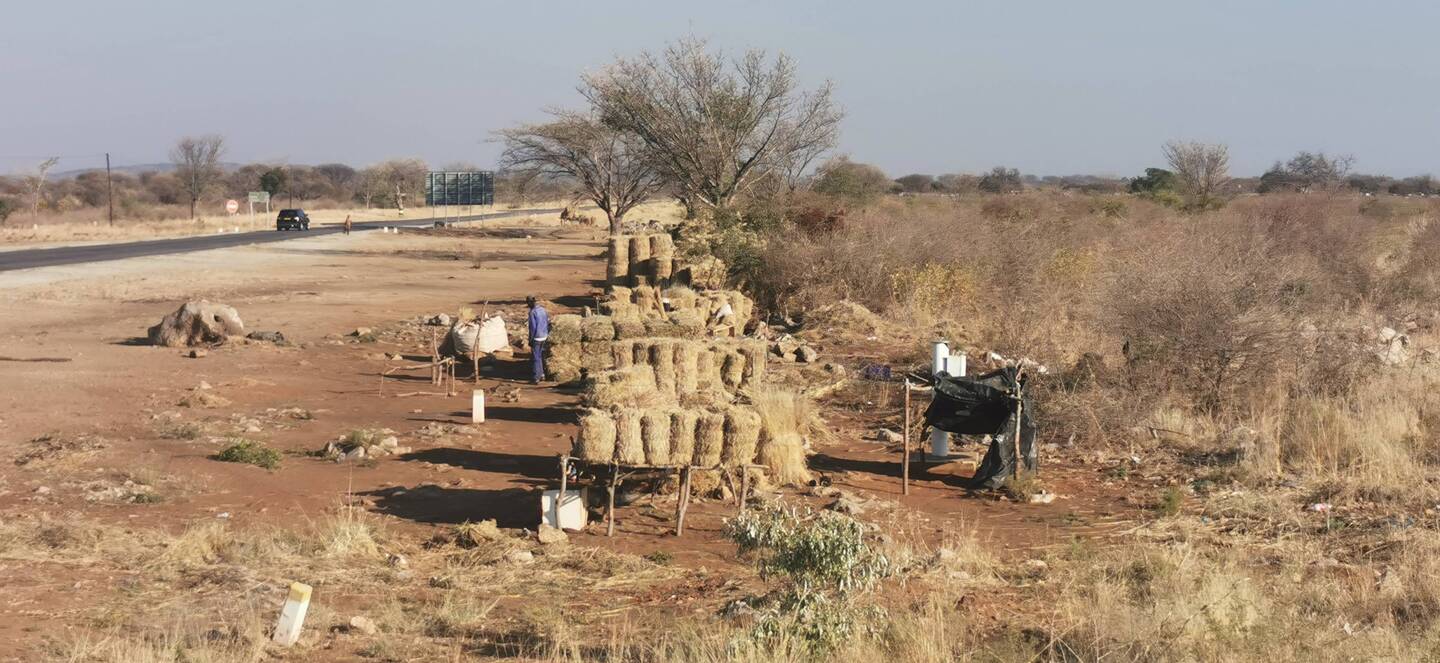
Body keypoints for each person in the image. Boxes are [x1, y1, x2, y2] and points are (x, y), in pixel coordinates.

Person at [526, 296, 549, 384]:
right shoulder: (542, 310)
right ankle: (542, 374)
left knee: (536, 357)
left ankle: (536, 377)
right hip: (544, 335)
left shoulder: (532, 312)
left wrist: (531, 339)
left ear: (530, 303)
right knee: (540, 356)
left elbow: (533, 327)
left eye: (528, 303)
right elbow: (547, 321)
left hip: (537, 337)